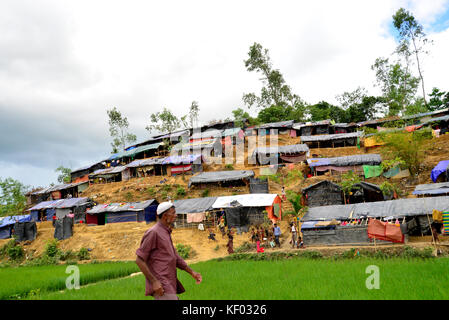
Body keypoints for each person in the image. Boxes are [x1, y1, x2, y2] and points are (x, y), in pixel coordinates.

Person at [135, 201, 202, 300]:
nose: (176, 215)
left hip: (169, 281)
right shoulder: (153, 232)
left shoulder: (166, 232)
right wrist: (154, 282)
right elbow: (139, 260)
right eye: (173, 213)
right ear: (165, 216)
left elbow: (175, 258)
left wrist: (192, 272)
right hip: (161, 283)